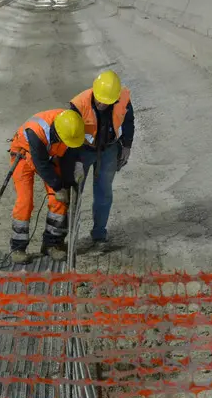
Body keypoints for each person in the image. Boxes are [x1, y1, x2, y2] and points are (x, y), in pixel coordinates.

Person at [7, 108, 88, 263]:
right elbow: (41, 164)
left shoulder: (71, 127)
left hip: (49, 156)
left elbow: (68, 157)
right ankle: (18, 248)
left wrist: (68, 183)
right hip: (23, 155)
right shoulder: (36, 132)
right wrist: (57, 186)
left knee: (59, 200)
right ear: (57, 133)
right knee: (25, 201)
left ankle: (51, 244)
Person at [69, 69, 134, 244]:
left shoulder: (122, 98)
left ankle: (99, 235)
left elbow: (128, 121)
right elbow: (69, 136)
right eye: (99, 100)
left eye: (106, 103)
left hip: (109, 149)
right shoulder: (78, 104)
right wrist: (74, 161)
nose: (101, 105)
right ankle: (69, 239)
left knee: (104, 193)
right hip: (82, 151)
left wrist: (127, 146)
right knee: (74, 194)